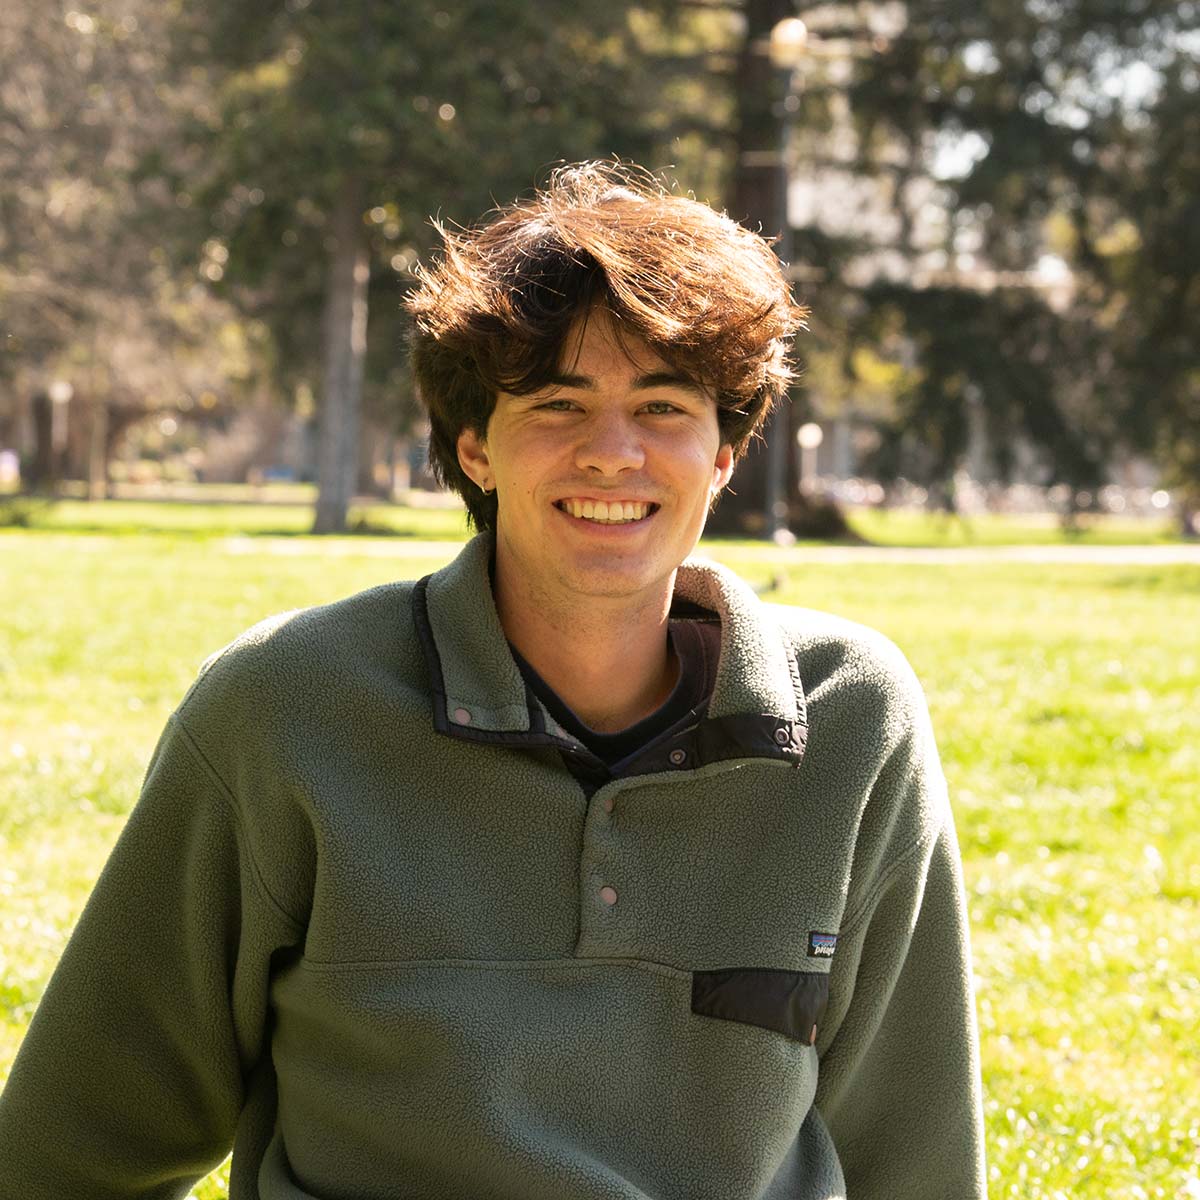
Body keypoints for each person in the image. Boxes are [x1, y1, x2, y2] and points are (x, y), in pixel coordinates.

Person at [0, 162, 986, 1199]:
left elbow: (915, 1164)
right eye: (559, 404)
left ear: (725, 455)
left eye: (662, 406)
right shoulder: (282, 708)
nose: (613, 453)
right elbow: (71, 1153)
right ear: (474, 448)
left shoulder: (853, 719)